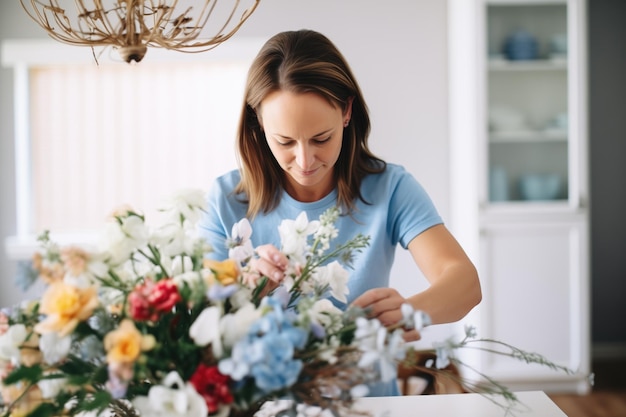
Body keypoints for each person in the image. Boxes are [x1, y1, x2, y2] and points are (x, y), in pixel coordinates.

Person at [198, 29, 481, 396]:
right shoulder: (225, 199)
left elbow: (464, 283)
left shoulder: (390, 188)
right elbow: (194, 321)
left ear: (346, 112)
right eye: (284, 141)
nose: (304, 160)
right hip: (260, 404)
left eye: (321, 138)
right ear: (259, 123)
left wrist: (410, 311)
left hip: (366, 402)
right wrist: (243, 287)